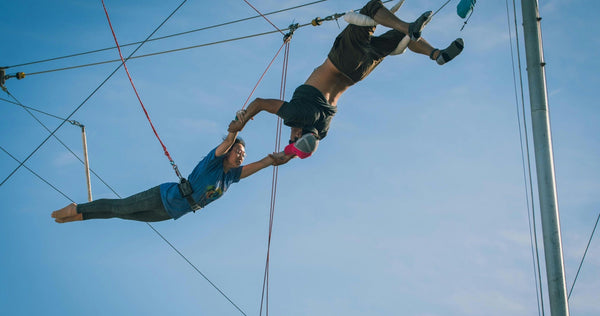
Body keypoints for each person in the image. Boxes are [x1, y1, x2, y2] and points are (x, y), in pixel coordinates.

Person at [228, 0, 464, 159]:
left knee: (397, 38)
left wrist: (286, 155)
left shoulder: (321, 128)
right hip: (342, 61)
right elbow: (258, 103)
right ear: (299, 134)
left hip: (358, 73)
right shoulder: (294, 114)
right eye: (291, 137)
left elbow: (302, 146)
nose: (288, 134)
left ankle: (437, 54)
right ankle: (410, 28)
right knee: (371, 9)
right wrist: (242, 122)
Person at [51, 128, 292, 223]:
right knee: (121, 207)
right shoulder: (213, 163)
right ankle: (77, 208)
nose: (241, 156)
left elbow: (263, 163)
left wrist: (287, 154)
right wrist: (236, 128)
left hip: (171, 212)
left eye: (243, 153)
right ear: (228, 152)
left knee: (120, 215)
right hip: (164, 197)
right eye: (238, 152)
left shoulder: (231, 178)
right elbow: (229, 139)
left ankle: (80, 216)